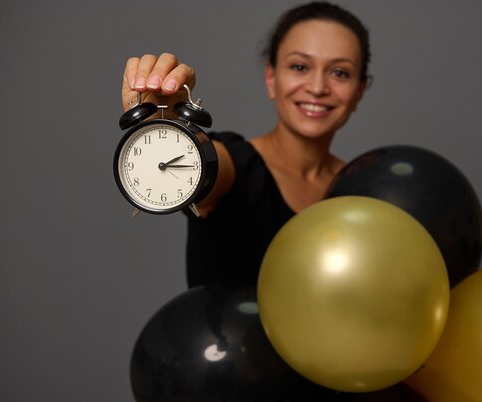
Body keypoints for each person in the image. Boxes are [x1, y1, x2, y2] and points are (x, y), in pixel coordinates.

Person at [121, 2, 371, 289]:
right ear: (271, 78)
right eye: (299, 66)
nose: (317, 87)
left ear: (359, 91)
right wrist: (161, 129)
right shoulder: (234, 165)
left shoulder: (365, 191)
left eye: (339, 72)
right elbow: (200, 171)